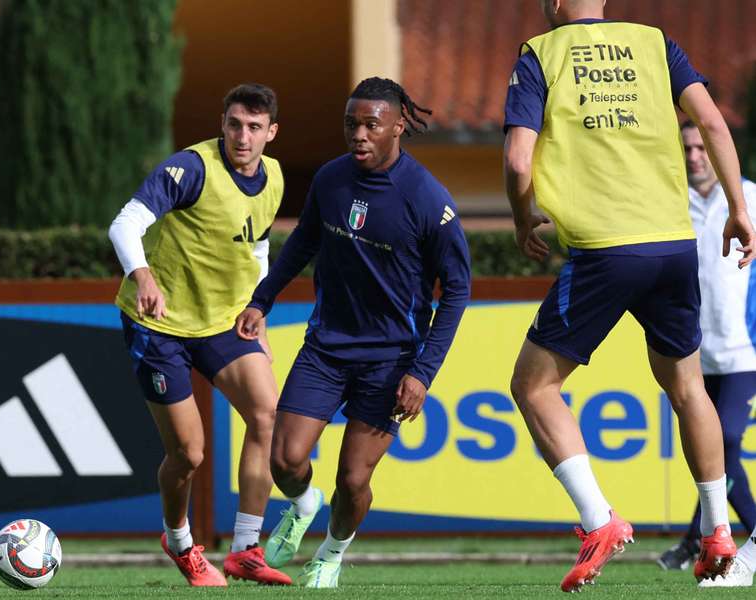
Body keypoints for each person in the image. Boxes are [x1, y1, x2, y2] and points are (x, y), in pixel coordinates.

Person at [503, 0, 756, 592]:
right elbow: (716, 125)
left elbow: (519, 161)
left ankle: (598, 520)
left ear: (558, 2)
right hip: (674, 245)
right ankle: (718, 531)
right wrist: (740, 210)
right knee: (688, 388)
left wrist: (521, 218)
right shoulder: (656, 42)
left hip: (605, 249)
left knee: (533, 385)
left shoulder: (540, 54)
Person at [235, 77, 471, 588]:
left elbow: (456, 291)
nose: (358, 134)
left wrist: (422, 373)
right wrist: (262, 300)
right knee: (285, 459)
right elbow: (302, 243)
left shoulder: (428, 198)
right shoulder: (330, 180)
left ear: (398, 126)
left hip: (390, 361)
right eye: (351, 124)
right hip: (325, 348)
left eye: (371, 124)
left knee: (353, 479)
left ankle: (332, 552)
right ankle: (302, 505)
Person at [108, 83, 292, 587]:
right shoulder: (191, 169)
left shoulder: (274, 176)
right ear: (223, 123)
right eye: (234, 124)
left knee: (267, 413)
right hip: (159, 325)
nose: (242, 136)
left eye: (255, 127)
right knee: (189, 454)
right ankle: (181, 542)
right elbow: (124, 226)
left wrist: (259, 311)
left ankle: (245, 550)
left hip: (223, 320)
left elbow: (256, 249)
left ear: (271, 133)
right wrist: (142, 276)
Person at [657, 122, 756, 588]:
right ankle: (694, 540)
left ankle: (742, 534)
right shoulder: (670, 203)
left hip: (746, 352)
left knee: (729, 439)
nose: (694, 155)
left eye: (701, 146)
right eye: (687, 148)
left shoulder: (749, 199)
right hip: (695, 355)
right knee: (709, 448)